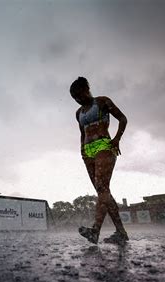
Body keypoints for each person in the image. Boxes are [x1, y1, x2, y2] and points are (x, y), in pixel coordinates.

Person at [69, 77, 129, 245]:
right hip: (88, 151)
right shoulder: (78, 113)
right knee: (104, 193)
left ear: (87, 89)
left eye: (80, 95)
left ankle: (95, 230)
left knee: (102, 188)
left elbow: (122, 118)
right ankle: (121, 232)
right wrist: (82, 150)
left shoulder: (102, 102)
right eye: (74, 98)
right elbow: (82, 133)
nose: (78, 100)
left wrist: (117, 139)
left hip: (105, 145)